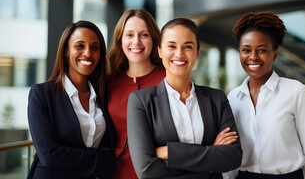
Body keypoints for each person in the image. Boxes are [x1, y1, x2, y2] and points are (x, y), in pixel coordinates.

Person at [127, 18, 243, 179]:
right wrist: (209, 163)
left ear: (196, 53)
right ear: (160, 51)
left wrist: (170, 152)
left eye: (187, 46)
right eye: (172, 46)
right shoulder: (140, 101)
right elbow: (146, 170)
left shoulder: (217, 99)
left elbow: (233, 157)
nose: (179, 54)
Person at [225, 12, 305, 179]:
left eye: (262, 50)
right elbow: (230, 151)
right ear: (239, 52)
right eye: (246, 50)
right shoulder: (233, 97)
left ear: (274, 53)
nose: (253, 57)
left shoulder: (296, 92)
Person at [27, 21, 115, 179]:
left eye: (94, 47)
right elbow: (50, 155)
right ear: (66, 51)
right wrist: (102, 157)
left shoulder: (103, 95)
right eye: (79, 46)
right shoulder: (42, 94)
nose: (88, 53)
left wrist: (68, 154)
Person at [107, 9, 166, 179]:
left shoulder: (168, 79)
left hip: (159, 172)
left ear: (154, 39)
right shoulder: (109, 82)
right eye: (129, 35)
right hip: (115, 173)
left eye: (144, 35)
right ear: (120, 40)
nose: (136, 41)